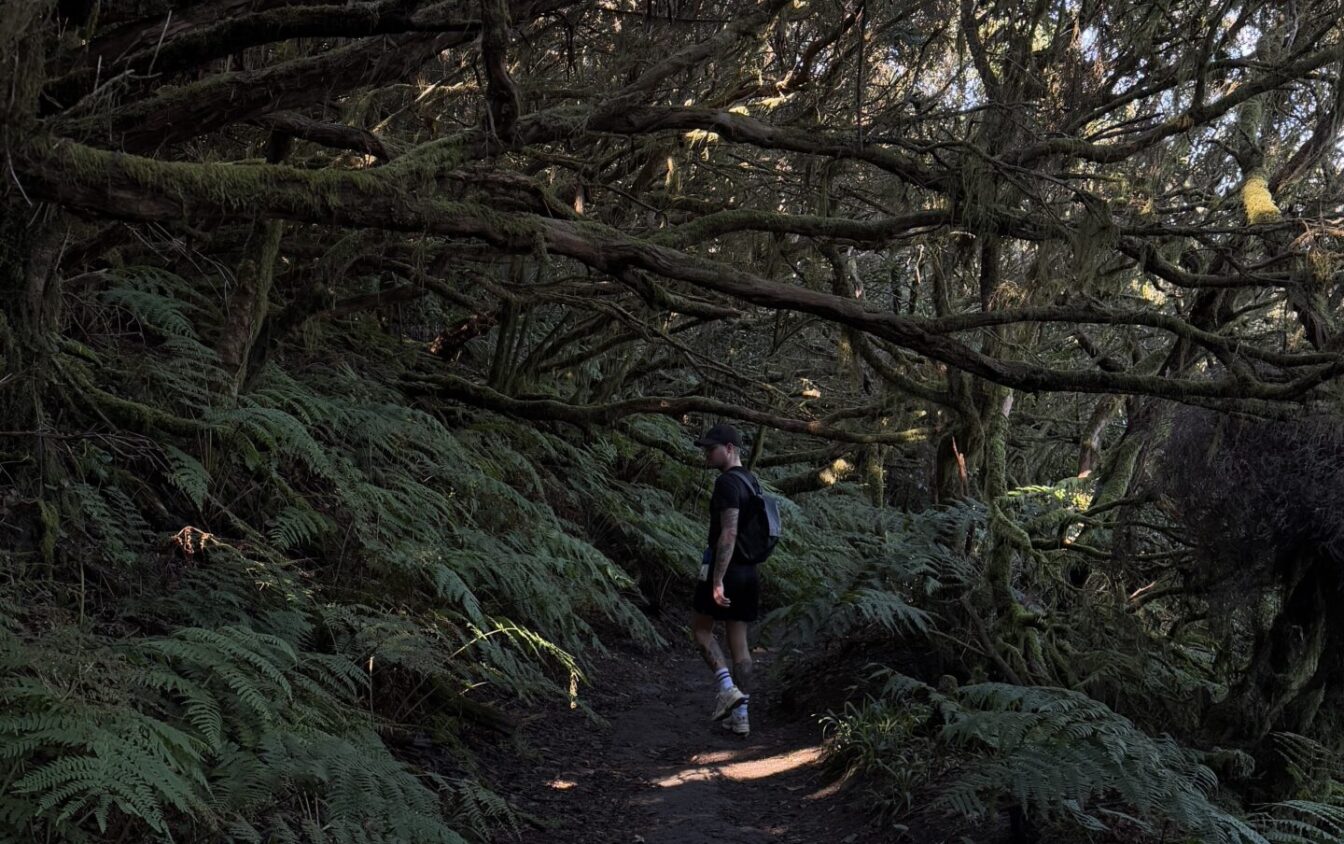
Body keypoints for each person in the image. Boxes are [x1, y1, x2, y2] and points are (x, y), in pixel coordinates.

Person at [691, 422, 761, 737]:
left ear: (729, 449)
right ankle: (742, 715)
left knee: (701, 630)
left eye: (712, 448)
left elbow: (728, 532)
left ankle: (727, 688)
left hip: (727, 569)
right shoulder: (752, 482)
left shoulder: (727, 483)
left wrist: (717, 579)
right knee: (740, 644)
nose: (707, 453)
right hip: (749, 572)